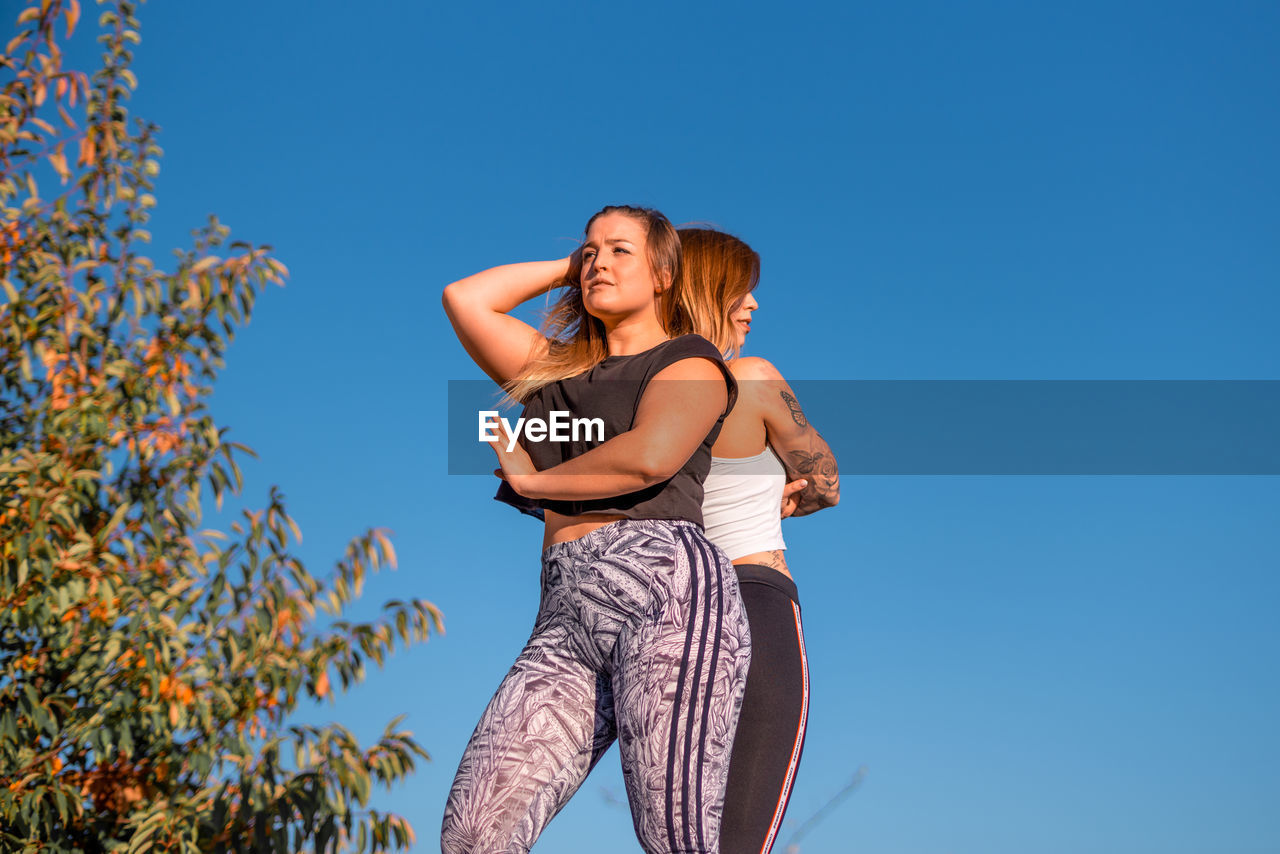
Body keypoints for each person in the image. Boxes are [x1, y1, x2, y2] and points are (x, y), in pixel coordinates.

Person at [440, 206, 751, 854]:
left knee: (678, 836)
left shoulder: (688, 359)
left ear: (664, 274)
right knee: (475, 834)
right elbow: (466, 299)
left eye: (620, 252)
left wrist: (535, 483)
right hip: (563, 615)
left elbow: (649, 455)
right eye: (590, 252)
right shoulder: (555, 374)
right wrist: (575, 265)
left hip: (666, 593)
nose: (598, 263)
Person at [678, 227, 840, 854]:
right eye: (739, 292)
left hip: (669, 618)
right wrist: (785, 492)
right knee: (738, 840)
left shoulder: (629, 397)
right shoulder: (752, 379)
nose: (751, 307)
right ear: (701, 291)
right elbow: (827, 481)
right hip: (752, 599)